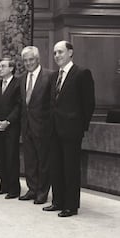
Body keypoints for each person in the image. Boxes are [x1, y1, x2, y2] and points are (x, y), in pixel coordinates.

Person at [43, 41, 95, 217]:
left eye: (60, 52)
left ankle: (71, 206)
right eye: (55, 53)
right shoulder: (53, 76)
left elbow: (88, 104)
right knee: (56, 167)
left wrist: (81, 127)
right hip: (54, 129)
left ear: (70, 52)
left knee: (71, 169)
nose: (57, 55)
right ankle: (57, 202)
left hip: (71, 130)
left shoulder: (81, 73)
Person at [19, 46, 52, 204]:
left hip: (43, 127)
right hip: (26, 127)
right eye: (25, 60)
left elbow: (52, 104)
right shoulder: (22, 78)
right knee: (30, 161)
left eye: (31, 59)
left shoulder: (49, 76)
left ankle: (42, 192)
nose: (28, 63)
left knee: (43, 161)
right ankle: (32, 189)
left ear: (37, 59)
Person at [0, 58, 21, 199]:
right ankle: (4, 186)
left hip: (11, 127)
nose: (0, 68)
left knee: (11, 158)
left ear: (11, 68)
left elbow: (19, 106)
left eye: (3, 66)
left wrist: (7, 121)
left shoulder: (18, 84)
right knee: (0, 157)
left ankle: (14, 189)